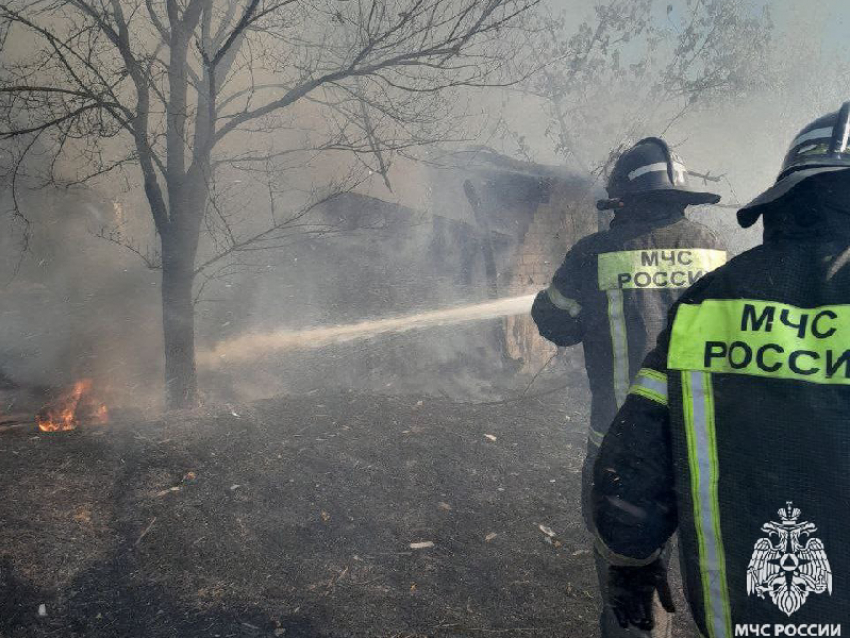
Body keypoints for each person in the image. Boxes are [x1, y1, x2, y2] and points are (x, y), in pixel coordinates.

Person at [592, 103, 850, 637]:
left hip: (744, 617)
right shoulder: (710, 251)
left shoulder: (715, 298)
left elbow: (634, 464)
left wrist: (630, 563)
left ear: (786, 199)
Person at [531, 137, 727, 637]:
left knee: (633, 596)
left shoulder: (594, 254)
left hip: (622, 454)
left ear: (621, 201)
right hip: (708, 452)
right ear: (682, 198)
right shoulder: (718, 253)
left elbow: (554, 321)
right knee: (730, 585)